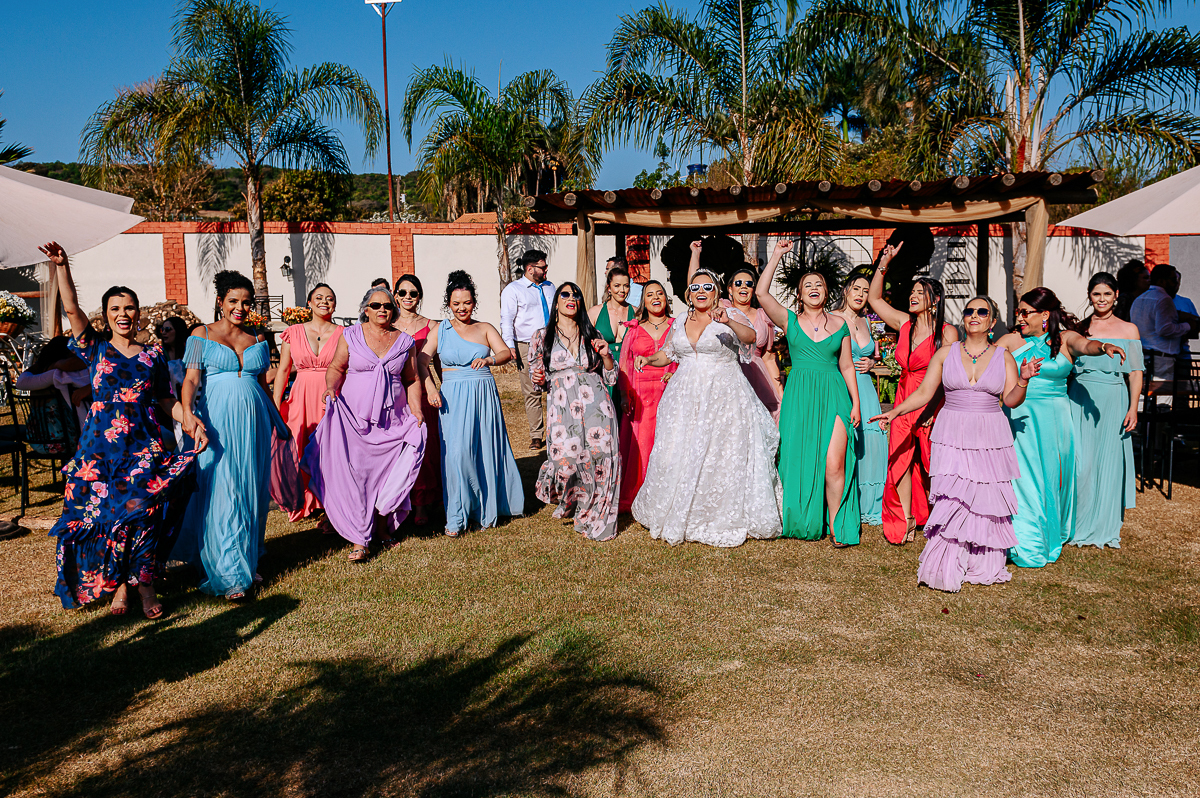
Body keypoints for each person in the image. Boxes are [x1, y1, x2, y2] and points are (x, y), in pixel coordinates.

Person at [38, 241, 202, 617]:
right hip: (100, 450)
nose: (123, 314)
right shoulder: (94, 348)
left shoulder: (153, 355)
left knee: (141, 512)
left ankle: (143, 587)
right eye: (115, 309)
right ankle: (117, 587)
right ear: (107, 315)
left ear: (139, 313)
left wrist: (192, 423)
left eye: (129, 308)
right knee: (108, 515)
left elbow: (166, 401)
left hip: (144, 444)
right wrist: (62, 268)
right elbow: (71, 309)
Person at [873, 296, 1040, 592]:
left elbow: (1011, 399)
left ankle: (982, 561)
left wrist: (1024, 380)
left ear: (992, 322)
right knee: (953, 496)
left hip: (989, 434)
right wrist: (895, 411)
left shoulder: (1003, 357)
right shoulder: (945, 353)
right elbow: (925, 392)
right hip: (951, 432)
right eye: (969, 310)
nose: (974, 315)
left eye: (981, 311)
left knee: (984, 497)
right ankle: (947, 560)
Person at [632, 265, 782, 547]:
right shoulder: (679, 320)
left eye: (707, 287)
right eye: (696, 288)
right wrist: (650, 360)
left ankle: (720, 514)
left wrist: (727, 322)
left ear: (716, 293)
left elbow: (750, 338)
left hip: (724, 395)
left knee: (721, 453)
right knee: (681, 450)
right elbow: (670, 352)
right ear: (688, 294)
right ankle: (682, 510)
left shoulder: (728, 314)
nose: (701, 292)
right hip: (684, 397)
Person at [994, 288, 1125, 569]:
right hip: (1020, 416)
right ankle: (1024, 541)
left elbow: (1086, 345)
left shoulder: (1064, 339)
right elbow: (984, 361)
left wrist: (1103, 348)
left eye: (1026, 311)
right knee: (1023, 478)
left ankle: (1049, 532)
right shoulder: (1010, 341)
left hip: (1055, 421)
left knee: (1051, 477)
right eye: (1019, 311)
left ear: (1044, 315)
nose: (1020, 317)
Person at [176, 270, 287, 599]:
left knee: (250, 489)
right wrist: (188, 413)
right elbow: (191, 380)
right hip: (218, 422)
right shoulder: (202, 334)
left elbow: (264, 385)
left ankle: (246, 558)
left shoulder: (258, 337)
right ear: (220, 302)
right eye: (233, 301)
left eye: (246, 302)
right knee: (223, 491)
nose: (240, 307)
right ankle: (227, 572)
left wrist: (279, 421)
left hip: (255, 423)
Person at [304, 287, 426, 562]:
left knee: (386, 475)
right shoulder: (350, 335)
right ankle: (360, 538)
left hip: (391, 419)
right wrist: (331, 389)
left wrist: (416, 410)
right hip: (354, 418)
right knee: (358, 476)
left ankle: (382, 530)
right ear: (365, 309)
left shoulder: (405, 341)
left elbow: (412, 378)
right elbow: (336, 367)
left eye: (387, 305)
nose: (382, 309)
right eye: (376, 305)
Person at [758, 241, 861, 545]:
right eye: (808, 285)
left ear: (827, 293)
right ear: (800, 294)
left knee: (835, 462)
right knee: (798, 458)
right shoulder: (790, 321)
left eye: (820, 284)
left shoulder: (841, 324)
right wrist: (776, 255)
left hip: (835, 396)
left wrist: (855, 403)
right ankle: (804, 519)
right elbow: (762, 294)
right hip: (800, 397)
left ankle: (837, 525)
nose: (814, 287)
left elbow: (847, 366)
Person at [421, 271, 524, 536]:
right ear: (448, 303)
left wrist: (489, 360)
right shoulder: (440, 330)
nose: (461, 308)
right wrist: (431, 386)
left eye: (466, 302)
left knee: (484, 449)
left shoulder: (485, 327)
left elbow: (505, 353)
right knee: (457, 454)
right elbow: (421, 361)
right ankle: (457, 515)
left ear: (473, 302)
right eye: (456, 303)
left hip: (482, 393)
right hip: (453, 395)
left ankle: (484, 508)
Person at [869, 243, 959, 544]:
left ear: (934, 300)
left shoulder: (947, 333)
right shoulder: (904, 323)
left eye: (920, 293)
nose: (913, 296)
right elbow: (874, 298)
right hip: (904, 399)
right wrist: (884, 262)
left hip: (934, 403)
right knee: (901, 459)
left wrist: (935, 411)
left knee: (935, 464)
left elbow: (949, 378)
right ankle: (905, 517)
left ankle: (944, 518)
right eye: (912, 292)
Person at [530, 281, 620, 541]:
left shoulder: (592, 334)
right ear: (556, 301)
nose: (571, 298)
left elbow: (611, 378)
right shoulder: (541, 337)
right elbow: (538, 383)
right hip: (561, 407)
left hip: (597, 403)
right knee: (565, 464)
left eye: (576, 294)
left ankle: (598, 516)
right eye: (565, 293)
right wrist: (538, 377)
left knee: (600, 458)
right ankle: (576, 502)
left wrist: (605, 357)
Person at [1069, 273, 1143, 549]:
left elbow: (1135, 373)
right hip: (1080, 398)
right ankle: (1077, 523)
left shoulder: (1129, 329)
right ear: (1090, 296)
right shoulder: (1078, 328)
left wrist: (1133, 408)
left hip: (1114, 398)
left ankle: (1105, 525)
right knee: (1081, 463)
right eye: (1096, 294)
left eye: (1107, 294)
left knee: (1109, 464)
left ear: (1116, 295)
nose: (1101, 299)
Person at [272, 283, 343, 524]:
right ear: (309, 303)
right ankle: (302, 499)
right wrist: (275, 402)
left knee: (329, 448)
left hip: (331, 395)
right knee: (298, 445)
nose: (325, 301)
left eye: (330, 298)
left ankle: (328, 500)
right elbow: (283, 369)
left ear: (335, 304)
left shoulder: (344, 333)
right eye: (319, 297)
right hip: (301, 395)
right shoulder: (293, 331)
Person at [616, 280, 677, 513]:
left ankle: (666, 494)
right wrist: (624, 394)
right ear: (644, 301)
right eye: (650, 294)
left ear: (666, 298)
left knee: (668, 443)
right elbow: (624, 363)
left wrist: (676, 374)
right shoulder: (634, 329)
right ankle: (639, 494)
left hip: (670, 389)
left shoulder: (677, 325)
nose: (655, 297)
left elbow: (684, 355)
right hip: (640, 395)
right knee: (642, 445)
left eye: (659, 293)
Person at [832, 270, 886, 525]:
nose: (861, 295)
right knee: (844, 446)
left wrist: (872, 363)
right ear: (846, 290)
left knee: (871, 446)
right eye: (857, 289)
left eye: (866, 291)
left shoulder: (866, 322)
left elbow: (871, 355)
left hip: (866, 388)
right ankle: (844, 500)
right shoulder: (833, 318)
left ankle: (870, 505)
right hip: (842, 386)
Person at [393, 274, 440, 525]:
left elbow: (439, 363)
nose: (408, 297)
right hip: (392, 391)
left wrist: (442, 390)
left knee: (425, 445)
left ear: (419, 296)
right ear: (395, 294)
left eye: (413, 293)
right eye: (403, 292)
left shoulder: (432, 325)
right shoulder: (387, 321)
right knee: (397, 447)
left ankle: (423, 502)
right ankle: (399, 500)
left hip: (422, 389)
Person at [500, 249, 556, 450]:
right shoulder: (513, 290)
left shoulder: (551, 287)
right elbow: (507, 320)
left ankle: (555, 430)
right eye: (542, 267)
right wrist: (509, 346)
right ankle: (536, 435)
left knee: (555, 386)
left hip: (552, 342)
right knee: (532, 390)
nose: (546, 270)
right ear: (530, 268)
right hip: (526, 345)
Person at [721, 259, 782, 420]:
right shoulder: (722, 310)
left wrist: (779, 391)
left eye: (748, 284)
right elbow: (695, 289)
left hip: (758, 378)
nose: (743, 286)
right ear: (730, 289)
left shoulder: (763, 317)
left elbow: (768, 357)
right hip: (728, 375)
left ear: (753, 290)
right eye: (738, 283)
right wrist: (695, 253)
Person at [1131, 263, 1197, 389]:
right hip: (1161, 359)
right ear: (1161, 281)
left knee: (1143, 397)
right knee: (1162, 401)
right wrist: (1188, 326)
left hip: (1143, 356)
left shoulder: (1139, 298)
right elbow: (1165, 329)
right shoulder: (1163, 298)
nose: (1176, 285)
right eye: (1173, 280)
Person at [15, 334, 90, 430]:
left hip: (37, 435)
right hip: (64, 436)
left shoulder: (47, 374)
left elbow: (20, 382)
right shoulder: (60, 374)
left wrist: (44, 364)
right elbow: (70, 364)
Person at [588, 265, 636, 404]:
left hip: (629, 371)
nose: (622, 290)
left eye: (626, 286)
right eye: (617, 285)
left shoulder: (637, 313)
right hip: (603, 369)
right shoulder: (595, 312)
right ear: (609, 287)